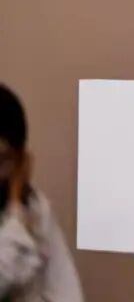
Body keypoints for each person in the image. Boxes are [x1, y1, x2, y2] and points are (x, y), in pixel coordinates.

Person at [0, 84, 83, 302]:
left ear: (20, 160)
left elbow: (66, 290)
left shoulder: (35, 207)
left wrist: (18, 204)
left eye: (3, 160)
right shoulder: (18, 206)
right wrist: (16, 210)